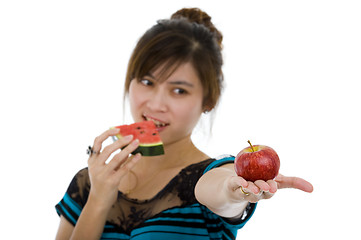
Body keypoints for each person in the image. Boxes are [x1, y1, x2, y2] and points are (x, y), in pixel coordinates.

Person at [55, 8, 313, 240]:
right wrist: (98, 198)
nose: (156, 104)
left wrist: (234, 192)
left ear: (208, 100)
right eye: (147, 82)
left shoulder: (213, 176)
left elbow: (220, 189)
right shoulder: (88, 180)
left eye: (178, 90)